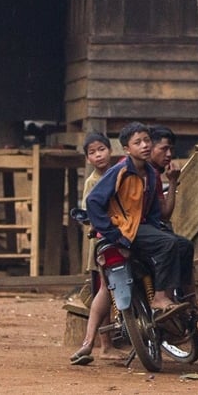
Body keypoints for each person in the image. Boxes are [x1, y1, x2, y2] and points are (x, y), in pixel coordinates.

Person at [84, 123, 194, 321]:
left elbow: (154, 212)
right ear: (127, 149)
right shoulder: (120, 171)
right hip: (123, 230)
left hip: (140, 228)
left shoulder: (151, 174)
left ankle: (179, 299)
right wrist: (114, 235)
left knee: (184, 245)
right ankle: (159, 298)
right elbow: (93, 202)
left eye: (147, 141)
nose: (144, 145)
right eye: (138, 142)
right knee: (167, 244)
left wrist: (158, 230)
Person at [71, 133, 116, 365]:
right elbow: (89, 214)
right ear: (88, 158)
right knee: (103, 291)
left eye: (102, 149)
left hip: (120, 236)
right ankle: (105, 344)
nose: (98, 155)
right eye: (92, 152)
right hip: (101, 242)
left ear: (110, 150)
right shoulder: (92, 182)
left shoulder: (119, 172)